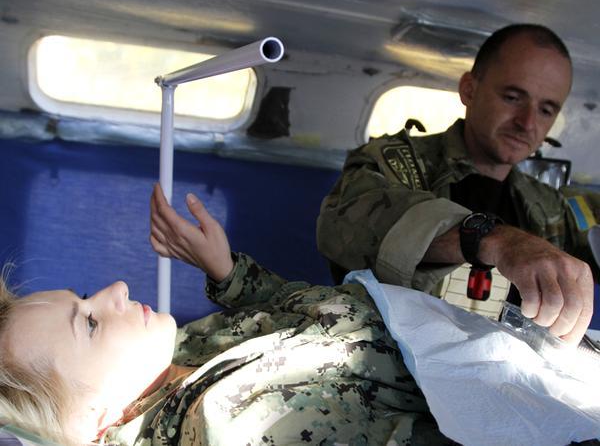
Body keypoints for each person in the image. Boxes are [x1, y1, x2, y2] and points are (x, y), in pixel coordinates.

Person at [0, 184, 455, 446]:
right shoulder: (229, 429)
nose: (116, 288)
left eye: (84, 296)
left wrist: (229, 273)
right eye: (90, 323)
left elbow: (309, 327)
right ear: (91, 419)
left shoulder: (177, 357)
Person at [317, 23, 598, 345]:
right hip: (395, 358)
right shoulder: (396, 162)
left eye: (546, 110)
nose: (527, 123)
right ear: (469, 90)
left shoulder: (548, 205)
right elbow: (345, 224)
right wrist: (494, 240)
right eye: (512, 97)